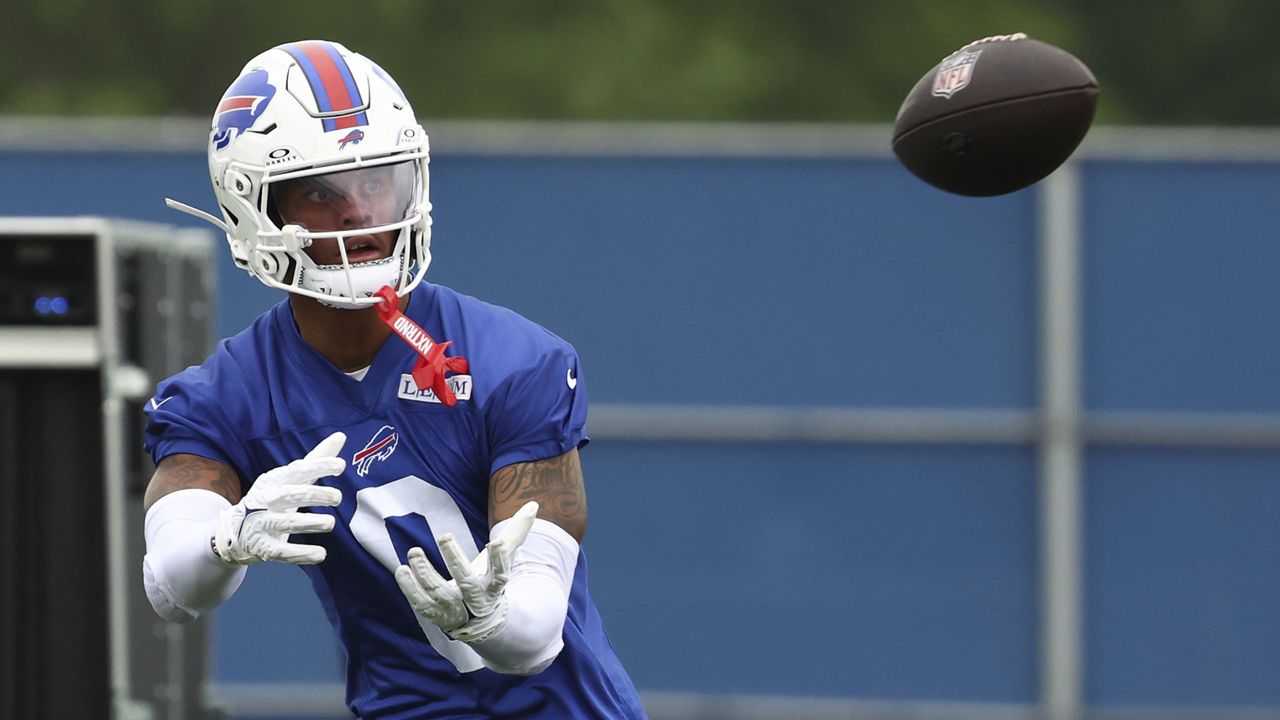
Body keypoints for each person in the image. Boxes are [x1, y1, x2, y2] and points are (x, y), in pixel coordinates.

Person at [142, 39, 647, 719]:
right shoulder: (225, 394)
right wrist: (224, 543)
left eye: (377, 180)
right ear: (252, 209)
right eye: (324, 191)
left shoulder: (512, 360)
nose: (360, 212)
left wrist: (489, 615)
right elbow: (172, 588)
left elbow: (533, 636)